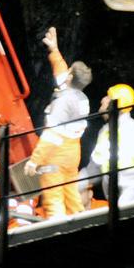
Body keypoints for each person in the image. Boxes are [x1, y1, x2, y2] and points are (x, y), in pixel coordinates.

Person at [23, 27, 92, 217]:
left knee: (53, 197)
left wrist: (34, 161)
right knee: (71, 193)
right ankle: (81, 219)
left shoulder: (62, 103)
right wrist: (54, 50)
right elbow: (62, 73)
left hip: (56, 154)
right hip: (72, 153)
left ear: (71, 77)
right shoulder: (80, 97)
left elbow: (51, 135)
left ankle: (57, 230)